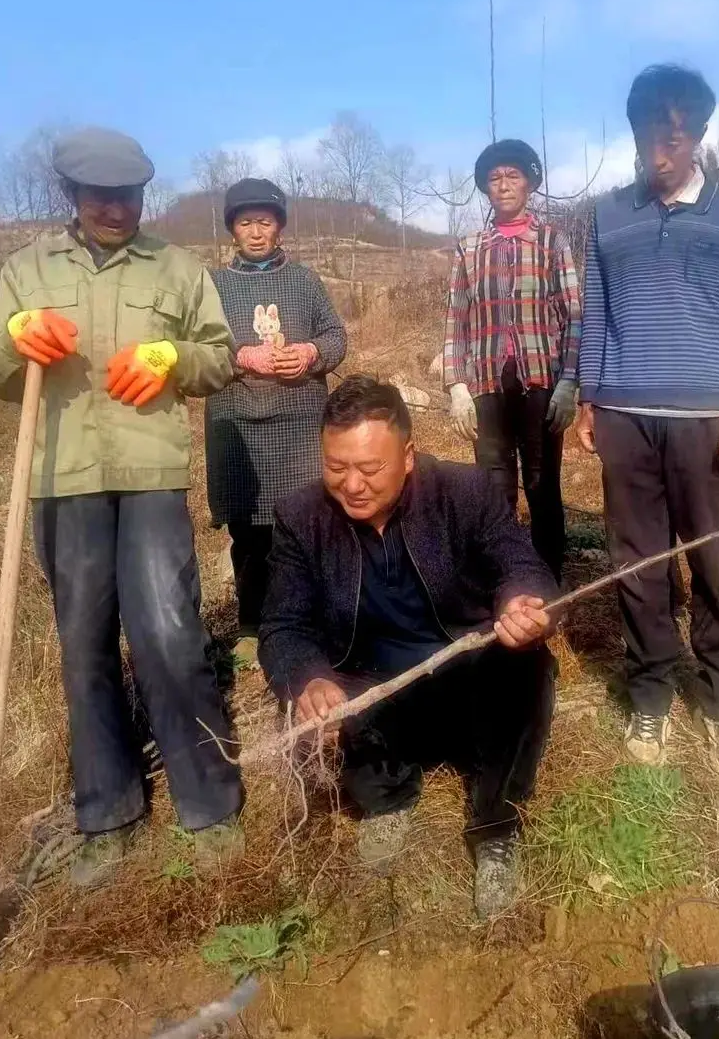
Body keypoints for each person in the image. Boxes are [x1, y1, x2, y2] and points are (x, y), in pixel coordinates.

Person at [0, 127, 245, 886]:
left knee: (168, 631)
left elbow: (219, 357)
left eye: (128, 196)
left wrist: (174, 358)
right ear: (71, 196)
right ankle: (108, 810)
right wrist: (18, 336)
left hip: (151, 472)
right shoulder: (27, 270)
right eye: (101, 196)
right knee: (83, 642)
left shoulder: (178, 267)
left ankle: (209, 799)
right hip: (63, 477)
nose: (117, 209)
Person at [259, 376, 557, 919]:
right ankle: (386, 797)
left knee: (527, 662)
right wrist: (307, 676)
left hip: (467, 681)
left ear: (409, 455)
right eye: (336, 467)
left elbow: (521, 563)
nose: (352, 485)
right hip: (374, 688)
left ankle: (494, 825)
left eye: (370, 469)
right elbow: (283, 625)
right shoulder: (300, 518)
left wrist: (523, 601)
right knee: (337, 688)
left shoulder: (465, 492)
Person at [576, 66, 719, 782]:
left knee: (713, 562)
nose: (658, 149)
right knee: (637, 564)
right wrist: (590, 397)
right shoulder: (607, 215)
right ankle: (651, 691)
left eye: (674, 135)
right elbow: (593, 310)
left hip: (706, 418)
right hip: (626, 417)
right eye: (647, 133)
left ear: (697, 137)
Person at [205, 178, 347, 669]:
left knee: (306, 523)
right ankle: (251, 624)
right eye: (245, 223)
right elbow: (198, 349)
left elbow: (335, 337)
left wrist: (310, 352)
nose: (256, 232)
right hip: (239, 425)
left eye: (265, 222)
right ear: (232, 230)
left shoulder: (306, 281)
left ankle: (310, 616)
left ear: (280, 227)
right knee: (248, 535)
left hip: (299, 424)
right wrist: (240, 355)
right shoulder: (215, 286)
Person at [443, 139, 582, 583]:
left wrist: (569, 381)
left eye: (513, 176)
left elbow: (573, 314)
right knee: (494, 487)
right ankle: (502, 577)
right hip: (486, 385)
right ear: (486, 188)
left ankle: (547, 577)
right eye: (495, 179)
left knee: (542, 485)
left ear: (530, 184)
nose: (503, 185)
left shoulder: (551, 241)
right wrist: (456, 387)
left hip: (540, 382)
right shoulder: (469, 249)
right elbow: (456, 318)